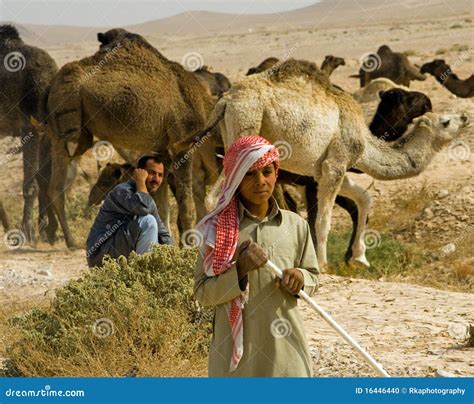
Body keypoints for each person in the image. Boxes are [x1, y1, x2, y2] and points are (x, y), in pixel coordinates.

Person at [194, 136, 319, 377]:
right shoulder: (216, 230)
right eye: (250, 174)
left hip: (286, 353)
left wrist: (300, 278)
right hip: (235, 360)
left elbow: (313, 277)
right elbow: (202, 293)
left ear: (276, 173)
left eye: (267, 172)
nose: (261, 181)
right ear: (235, 179)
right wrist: (239, 270)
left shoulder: (296, 225)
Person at [86, 154, 173, 268]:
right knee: (148, 221)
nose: (156, 179)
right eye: (151, 173)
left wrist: (175, 258)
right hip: (100, 254)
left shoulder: (147, 200)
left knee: (158, 239)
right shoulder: (122, 191)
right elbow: (142, 209)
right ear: (139, 173)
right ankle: (144, 273)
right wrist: (140, 182)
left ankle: (149, 271)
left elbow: (164, 234)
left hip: (118, 251)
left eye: (160, 175)